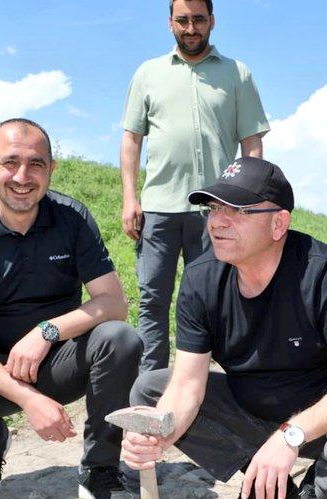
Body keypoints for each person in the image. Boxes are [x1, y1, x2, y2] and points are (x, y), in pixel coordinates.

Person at [122, 157, 327, 499]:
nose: (217, 221)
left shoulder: (324, 273)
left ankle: (318, 490)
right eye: (214, 209)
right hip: (249, 411)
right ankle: (265, 486)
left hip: (323, 426)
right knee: (152, 392)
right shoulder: (202, 279)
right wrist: (159, 433)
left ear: (279, 223)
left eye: (237, 211)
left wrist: (289, 437)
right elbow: (187, 385)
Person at [0, 119, 143, 499]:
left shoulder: (71, 218)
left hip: (57, 360)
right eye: (10, 163)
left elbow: (113, 303)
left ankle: (101, 468)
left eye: (36, 164)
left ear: (51, 169)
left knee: (120, 338)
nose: (23, 177)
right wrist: (29, 400)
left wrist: (48, 331)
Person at [121, 0, 270, 372]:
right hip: (158, 208)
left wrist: (251, 199)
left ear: (212, 22)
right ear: (170, 22)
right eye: (182, 20)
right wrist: (129, 197)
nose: (191, 29)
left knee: (216, 297)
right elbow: (131, 139)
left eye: (198, 20)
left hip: (218, 210)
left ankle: (215, 382)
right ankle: (151, 383)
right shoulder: (147, 73)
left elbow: (251, 142)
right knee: (153, 299)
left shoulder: (237, 74)